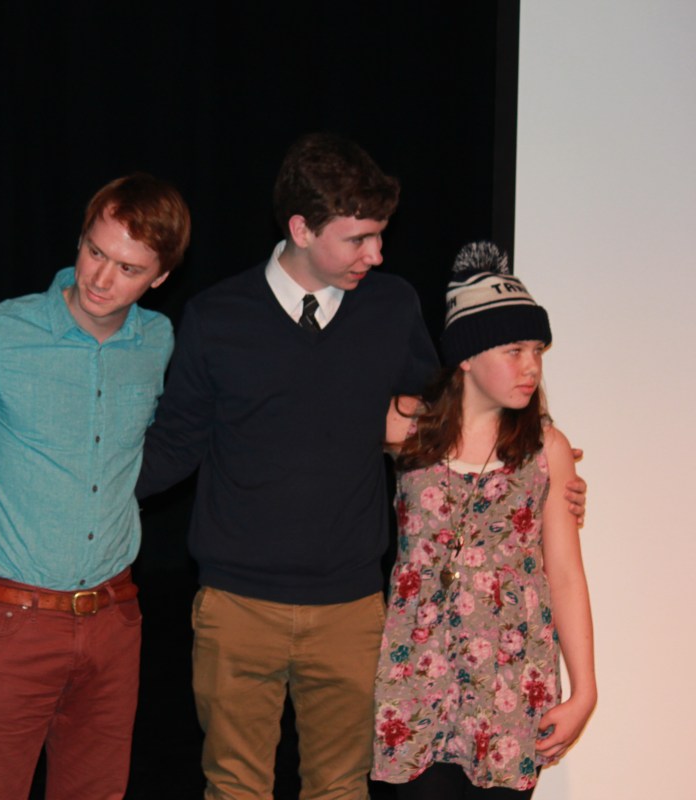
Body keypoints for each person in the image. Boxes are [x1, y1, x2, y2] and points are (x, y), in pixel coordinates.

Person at [135, 133, 588, 800]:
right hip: (237, 605)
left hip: (350, 608)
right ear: (301, 229)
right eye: (360, 238)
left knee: (341, 789)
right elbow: (174, 444)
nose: (377, 253)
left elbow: (444, 417)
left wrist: (544, 469)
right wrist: (87, 491)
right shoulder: (215, 317)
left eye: (380, 235)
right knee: (233, 787)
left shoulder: (391, 306)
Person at [0, 173, 190, 799]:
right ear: (80, 239)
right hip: (14, 618)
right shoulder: (0, 334)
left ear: (160, 278)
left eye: (128, 268)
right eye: (95, 251)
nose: (101, 278)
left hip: (115, 615)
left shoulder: (157, 341)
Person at [371, 242, 595, 797]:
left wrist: (584, 690)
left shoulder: (546, 447)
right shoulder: (406, 427)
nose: (531, 366)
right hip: (418, 673)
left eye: (537, 351)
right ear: (467, 356)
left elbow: (566, 575)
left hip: (510, 681)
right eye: (514, 350)